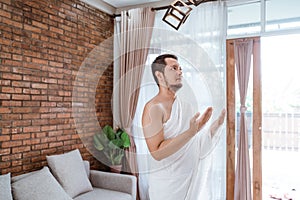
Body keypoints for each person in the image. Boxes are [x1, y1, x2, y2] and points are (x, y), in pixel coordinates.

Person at [142, 54, 226, 200]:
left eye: (180, 68)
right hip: (167, 188)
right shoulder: (153, 108)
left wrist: (215, 126)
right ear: (160, 76)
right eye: (174, 68)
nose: (180, 72)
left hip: (189, 183)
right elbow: (157, 153)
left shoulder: (186, 105)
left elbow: (195, 145)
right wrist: (190, 133)